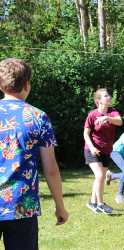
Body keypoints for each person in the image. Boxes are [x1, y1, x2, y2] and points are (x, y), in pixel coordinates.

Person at [0, 58, 69, 250]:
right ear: (27, 84)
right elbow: (51, 169)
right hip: (22, 206)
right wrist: (60, 206)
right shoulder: (38, 117)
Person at [84, 88, 122, 214]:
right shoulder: (92, 115)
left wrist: (107, 118)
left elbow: (120, 122)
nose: (109, 97)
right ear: (99, 100)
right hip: (92, 150)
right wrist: (92, 147)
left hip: (106, 151)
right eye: (106, 96)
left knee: (99, 178)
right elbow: (85, 134)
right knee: (100, 176)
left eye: (109, 95)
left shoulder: (112, 112)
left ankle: (92, 202)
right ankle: (100, 204)